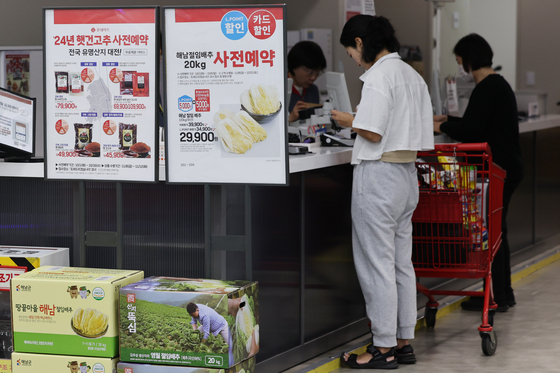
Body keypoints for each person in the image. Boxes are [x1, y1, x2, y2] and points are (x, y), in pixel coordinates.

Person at [330, 15, 434, 369]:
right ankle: (404, 340)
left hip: (378, 176)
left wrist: (347, 120)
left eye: (352, 53)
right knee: (400, 263)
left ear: (360, 42)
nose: (355, 60)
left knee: (376, 266)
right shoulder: (411, 75)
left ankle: (383, 347)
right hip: (406, 176)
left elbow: (371, 132)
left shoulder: (377, 77)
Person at [434, 33, 524, 312]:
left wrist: (442, 127)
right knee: (498, 233)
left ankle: (496, 297)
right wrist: (449, 120)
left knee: (493, 235)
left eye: (459, 58)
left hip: (499, 170)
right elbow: (480, 123)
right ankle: (501, 294)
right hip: (507, 168)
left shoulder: (486, 87)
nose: (459, 63)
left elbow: (472, 131)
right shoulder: (496, 84)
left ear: (467, 59)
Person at [287, 40, 327, 122]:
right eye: (309, 72)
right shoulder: (280, 89)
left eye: (317, 73)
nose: (313, 78)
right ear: (294, 66)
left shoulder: (314, 90)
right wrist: (289, 119)